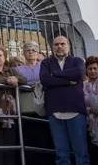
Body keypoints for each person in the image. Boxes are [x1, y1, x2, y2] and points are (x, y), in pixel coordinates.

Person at [39, 35, 89, 165]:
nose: (59, 47)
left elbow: (78, 73)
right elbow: (45, 79)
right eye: (56, 44)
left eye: (62, 44)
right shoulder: (46, 63)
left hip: (76, 111)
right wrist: (68, 81)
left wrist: (55, 74)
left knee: (81, 153)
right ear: (52, 47)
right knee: (62, 155)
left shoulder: (78, 61)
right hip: (55, 112)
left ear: (69, 46)